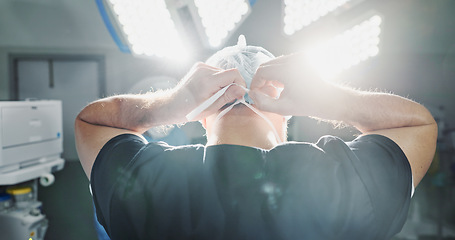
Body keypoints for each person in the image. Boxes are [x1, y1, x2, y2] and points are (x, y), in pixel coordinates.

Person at [75, 39, 437, 240]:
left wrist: (173, 103)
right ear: (287, 109)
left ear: (203, 113)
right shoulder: (343, 183)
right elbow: (416, 125)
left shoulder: (146, 184)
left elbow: (91, 122)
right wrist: (327, 100)